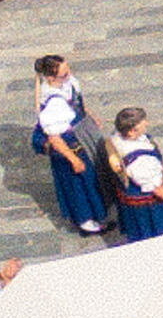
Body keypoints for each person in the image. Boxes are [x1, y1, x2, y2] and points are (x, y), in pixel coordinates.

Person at [33, 53, 107, 236]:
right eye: (64, 74)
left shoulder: (68, 83)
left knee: (91, 178)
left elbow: (78, 102)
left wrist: (90, 116)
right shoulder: (53, 104)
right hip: (70, 146)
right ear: (51, 77)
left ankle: (98, 213)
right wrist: (73, 159)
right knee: (77, 184)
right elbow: (54, 138)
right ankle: (85, 221)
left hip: (81, 134)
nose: (69, 75)